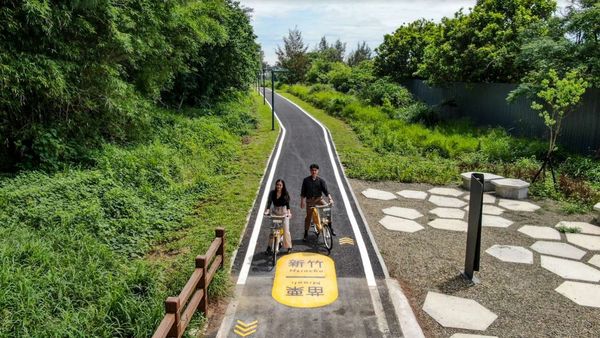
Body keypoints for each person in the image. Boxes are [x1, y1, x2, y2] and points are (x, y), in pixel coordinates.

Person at [300, 163, 335, 241]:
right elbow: (303, 192)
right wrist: (302, 201)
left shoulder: (321, 181)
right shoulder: (306, 180)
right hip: (310, 202)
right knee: (308, 217)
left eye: (315, 170)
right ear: (310, 171)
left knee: (327, 210)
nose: (314, 172)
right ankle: (306, 233)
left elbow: (326, 191)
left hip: (319, 200)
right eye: (312, 170)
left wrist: (330, 199)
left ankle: (330, 228)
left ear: (317, 171)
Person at [264, 179, 292, 254]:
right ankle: (269, 247)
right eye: (277, 184)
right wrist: (267, 210)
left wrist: (289, 213)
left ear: (283, 186)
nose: (278, 186)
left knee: (286, 230)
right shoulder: (272, 193)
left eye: (280, 185)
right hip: (275, 212)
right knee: (272, 231)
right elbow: (269, 202)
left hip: (283, 213)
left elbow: (288, 205)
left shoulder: (285, 193)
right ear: (276, 185)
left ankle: (289, 246)